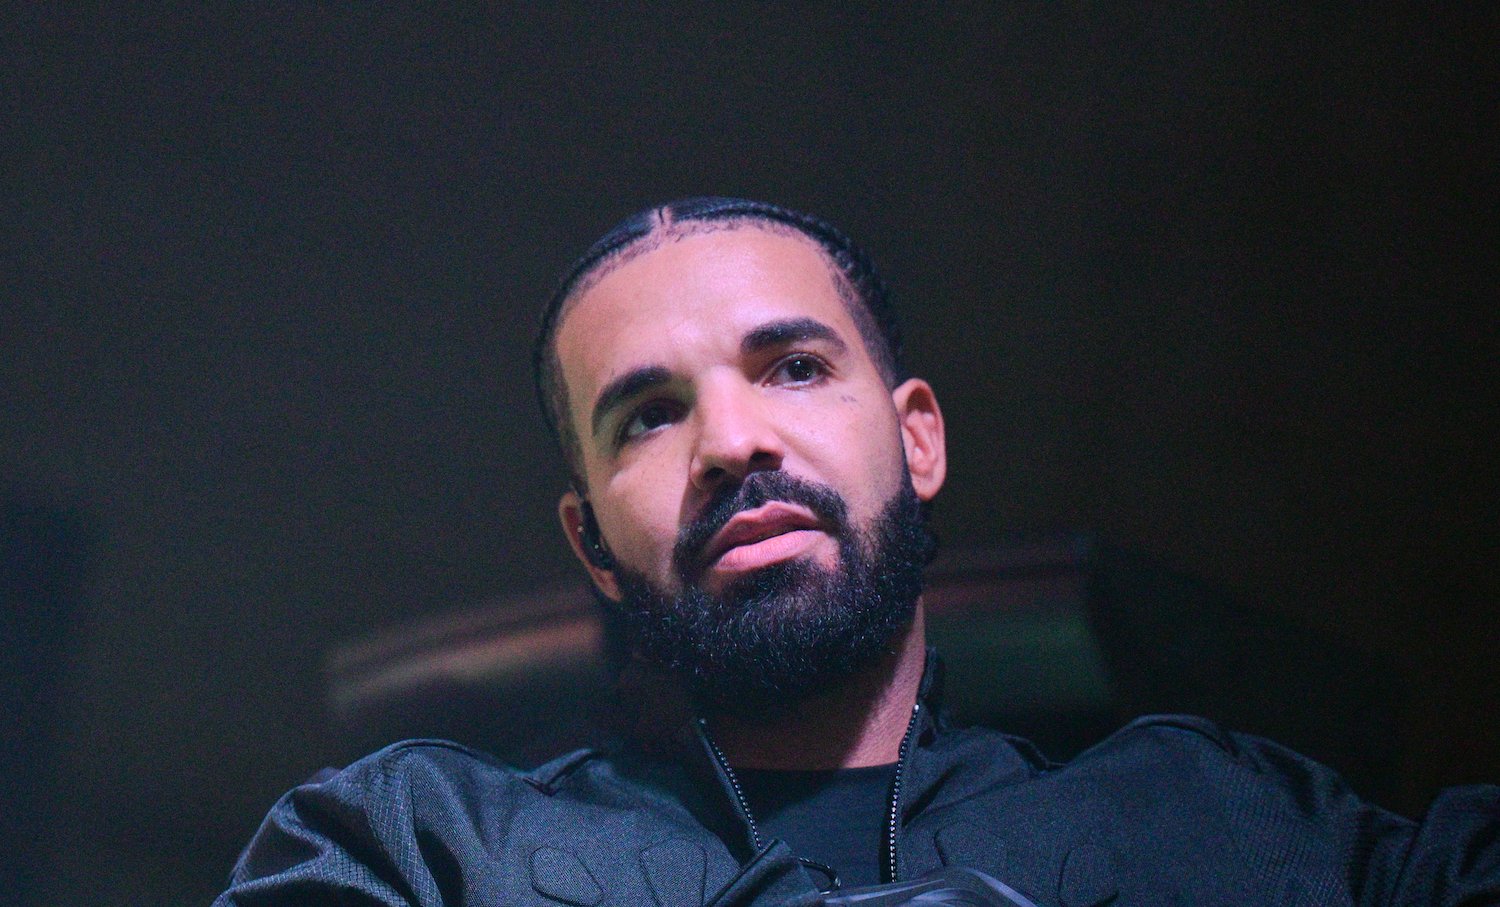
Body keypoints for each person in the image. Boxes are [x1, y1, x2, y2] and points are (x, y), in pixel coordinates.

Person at [216, 198, 1499, 906]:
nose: (731, 438)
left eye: (794, 367)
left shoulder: (1215, 823)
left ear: (917, 439)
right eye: (648, 414)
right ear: (591, 543)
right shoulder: (422, 848)